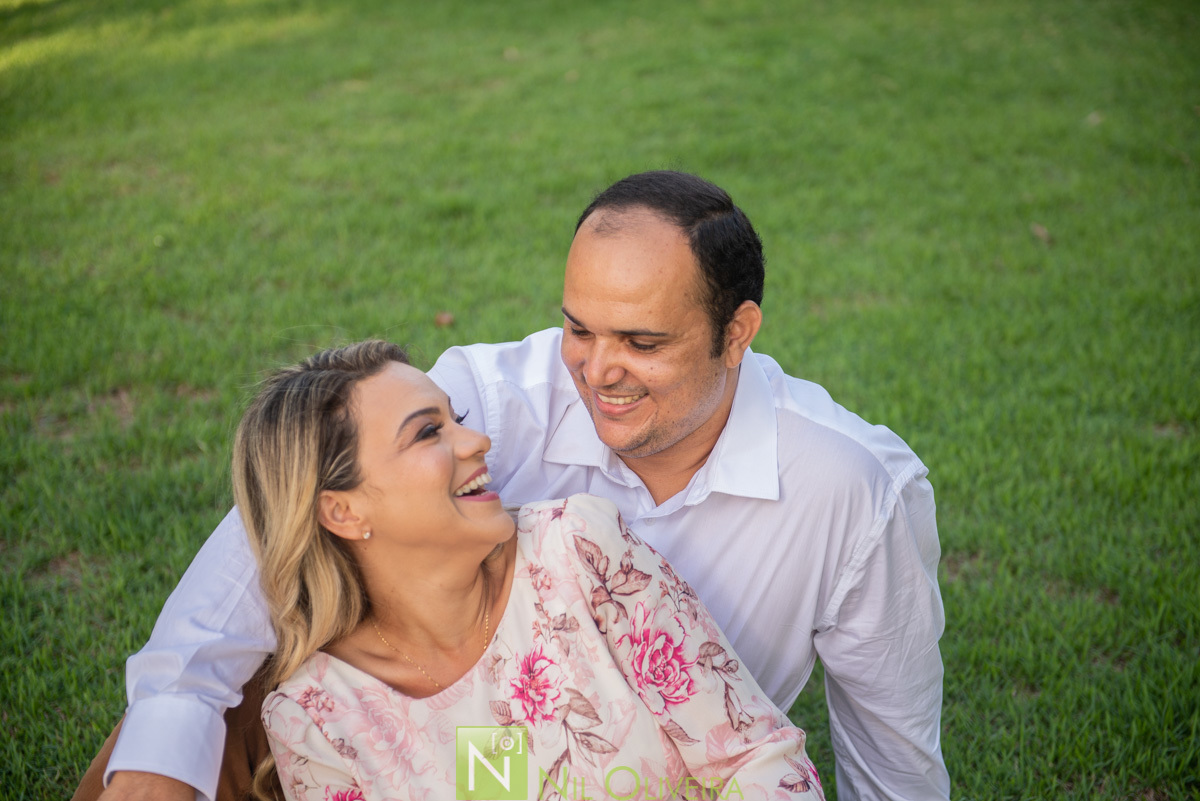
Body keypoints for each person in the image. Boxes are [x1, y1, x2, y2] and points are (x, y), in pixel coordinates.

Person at [87, 171, 948, 801]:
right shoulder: (494, 396)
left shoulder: (853, 490)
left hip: (671, 761)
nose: (598, 371)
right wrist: (168, 731)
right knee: (185, 715)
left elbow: (892, 760)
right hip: (416, 725)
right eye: (578, 327)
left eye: (642, 342)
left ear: (737, 333)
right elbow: (291, 502)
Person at [229, 339, 823, 800]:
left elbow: (757, 759)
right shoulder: (319, 720)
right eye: (429, 433)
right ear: (344, 509)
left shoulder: (579, 551)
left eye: (456, 417)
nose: (478, 441)